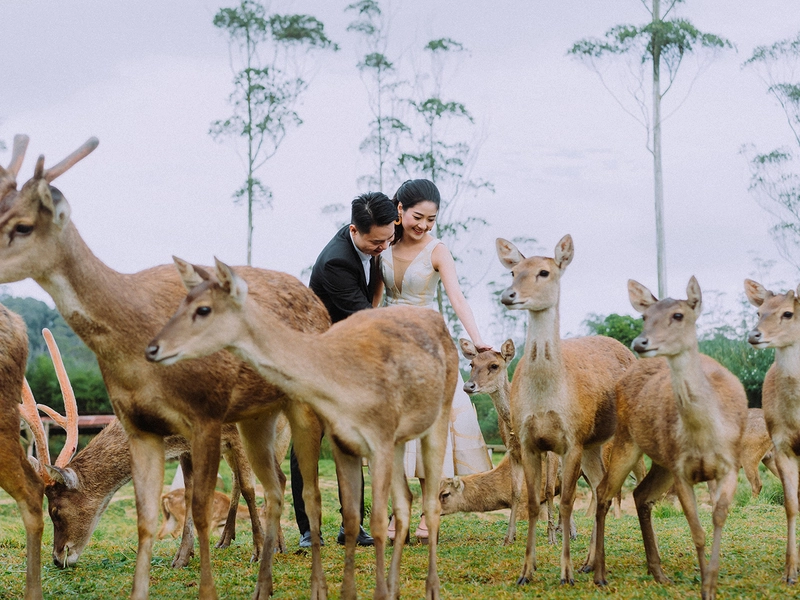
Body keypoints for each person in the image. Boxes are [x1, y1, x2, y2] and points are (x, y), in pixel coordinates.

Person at [380, 178, 493, 542]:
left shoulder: (437, 250)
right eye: (417, 217)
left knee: (432, 427)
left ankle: (431, 512)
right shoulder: (381, 244)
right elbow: (372, 299)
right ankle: (400, 510)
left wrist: (477, 342)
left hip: (427, 338)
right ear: (399, 209)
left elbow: (457, 298)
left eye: (431, 220)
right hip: (389, 339)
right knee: (391, 428)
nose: (424, 226)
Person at [290, 190, 397, 548]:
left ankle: (352, 525)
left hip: (348, 354)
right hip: (319, 356)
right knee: (309, 438)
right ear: (355, 230)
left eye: (388, 239)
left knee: (352, 438)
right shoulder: (336, 263)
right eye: (376, 242)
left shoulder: (373, 241)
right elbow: (364, 317)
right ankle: (308, 529)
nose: (383, 247)